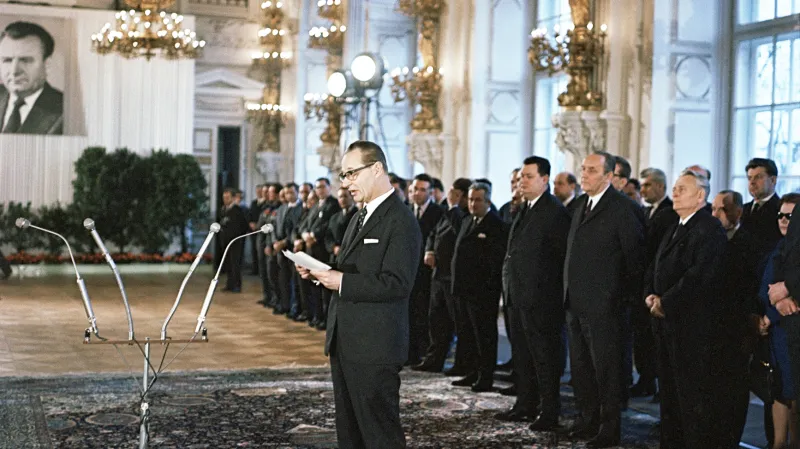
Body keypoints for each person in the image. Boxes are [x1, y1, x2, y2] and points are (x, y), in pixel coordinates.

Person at [299, 140, 421, 449]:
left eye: (352, 173)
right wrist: (319, 271)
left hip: (375, 346)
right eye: (343, 175)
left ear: (377, 169)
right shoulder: (359, 215)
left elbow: (397, 283)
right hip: (347, 340)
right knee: (350, 431)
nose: (345, 183)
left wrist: (340, 281)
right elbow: (351, 269)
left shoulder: (401, 221)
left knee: (380, 432)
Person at [563, 151, 644, 448]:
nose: (584, 174)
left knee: (607, 372)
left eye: (592, 170)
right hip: (576, 305)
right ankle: (587, 420)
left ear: (609, 176)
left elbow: (635, 261)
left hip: (606, 308)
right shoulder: (582, 205)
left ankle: (609, 429)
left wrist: (617, 300)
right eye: (583, 169)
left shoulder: (623, 209)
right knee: (582, 369)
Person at [495, 156, 570, 429]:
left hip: (542, 300)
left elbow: (560, 259)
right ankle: (525, 404)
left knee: (545, 358)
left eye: (528, 177)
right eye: (520, 177)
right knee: (524, 356)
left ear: (544, 179)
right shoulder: (524, 208)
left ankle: (549, 411)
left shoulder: (554, 211)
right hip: (518, 296)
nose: (521, 182)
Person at [758, 193, 800, 449]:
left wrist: (782, 302)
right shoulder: (777, 247)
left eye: (790, 216)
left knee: (793, 391)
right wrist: (770, 310)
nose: (784, 220)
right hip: (777, 330)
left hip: (791, 325)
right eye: (780, 216)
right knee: (778, 390)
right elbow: (766, 285)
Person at [0, 21, 63, 135]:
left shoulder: (64, 111)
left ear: (47, 65)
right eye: (7, 60)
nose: (14, 71)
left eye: (25, 60)